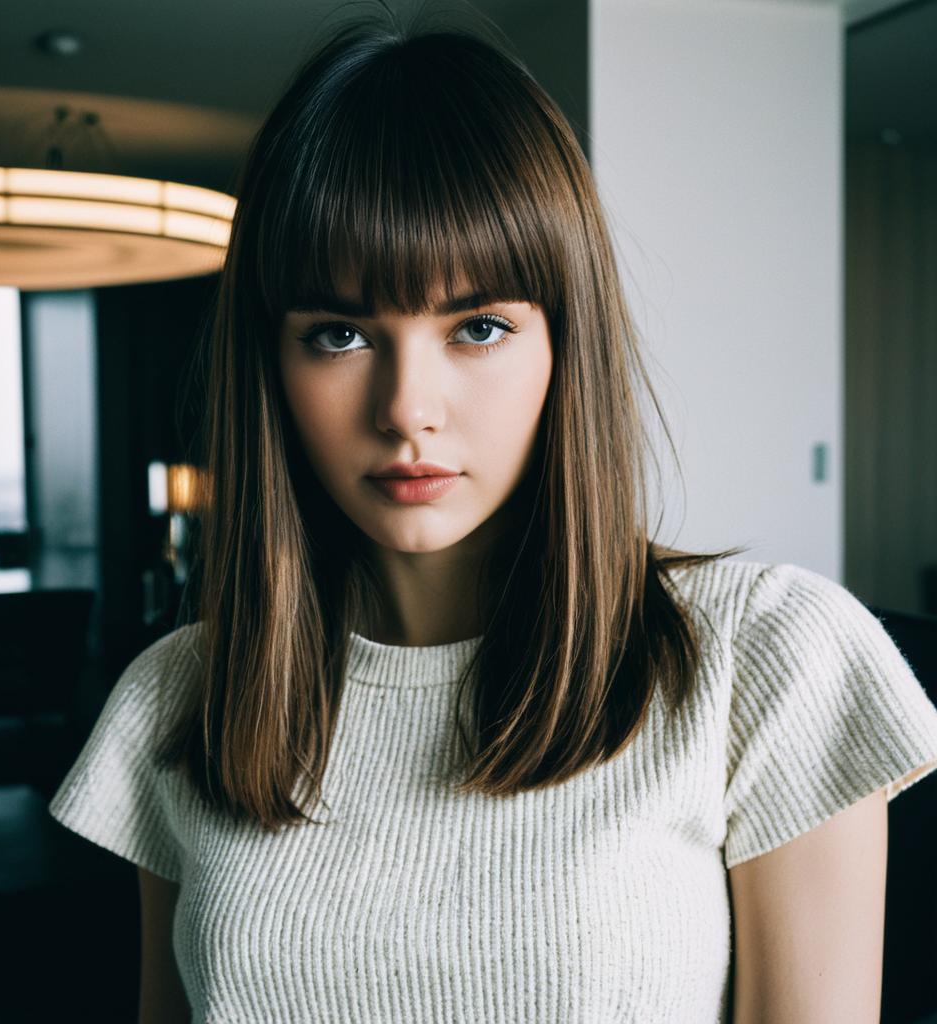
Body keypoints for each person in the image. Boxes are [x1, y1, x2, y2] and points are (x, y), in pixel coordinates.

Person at [49, 10, 937, 1024]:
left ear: (564, 342)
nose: (406, 409)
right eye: (338, 332)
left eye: (477, 326)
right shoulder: (184, 695)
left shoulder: (765, 659)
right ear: (271, 367)